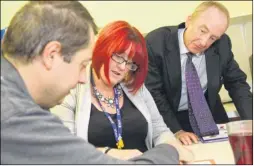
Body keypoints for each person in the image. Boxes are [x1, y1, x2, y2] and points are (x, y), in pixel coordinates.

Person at [1, 1, 180, 164]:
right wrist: (169, 151)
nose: (81, 78)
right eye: (83, 65)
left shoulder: (15, 95)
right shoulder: (16, 113)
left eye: (130, 63)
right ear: (52, 54)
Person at [51, 20, 194, 162]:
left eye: (130, 63)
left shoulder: (135, 87)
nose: (122, 67)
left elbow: (159, 131)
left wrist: (174, 149)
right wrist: (110, 153)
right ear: (102, 48)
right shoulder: (73, 87)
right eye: (118, 57)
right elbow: (65, 148)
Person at [144, 1, 253, 145]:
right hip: (172, 118)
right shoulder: (156, 43)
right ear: (189, 20)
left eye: (213, 38)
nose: (204, 42)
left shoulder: (222, 44)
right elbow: (154, 93)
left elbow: (237, 83)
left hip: (210, 115)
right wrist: (176, 130)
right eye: (202, 31)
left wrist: (251, 120)